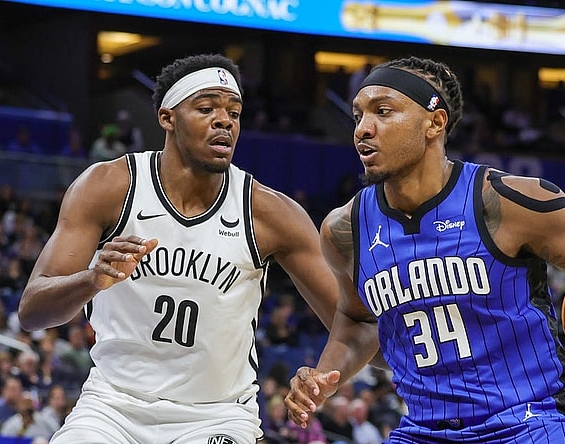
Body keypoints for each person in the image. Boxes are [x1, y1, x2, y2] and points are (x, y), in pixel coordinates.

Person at [284, 56, 565, 443]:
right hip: (425, 429)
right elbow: (359, 321)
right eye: (358, 115)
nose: (363, 128)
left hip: (532, 421)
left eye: (383, 112)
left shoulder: (510, 202)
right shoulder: (345, 230)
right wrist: (322, 376)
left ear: (435, 122)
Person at [17, 53, 340, 444]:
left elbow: (353, 320)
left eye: (234, 113)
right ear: (167, 118)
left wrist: (322, 374)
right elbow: (32, 311)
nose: (224, 121)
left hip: (216, 416)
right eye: (206, 109)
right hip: (113, 408)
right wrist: (91, 280)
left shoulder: (270, 213)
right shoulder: (108, 186)